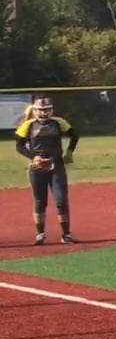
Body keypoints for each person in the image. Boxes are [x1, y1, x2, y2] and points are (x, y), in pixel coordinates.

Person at [14, 95, 78, 246]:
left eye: (46, 109)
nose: (43, 113)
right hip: (37, 168)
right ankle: (40, 234)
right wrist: (33, 157)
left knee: (61, 199)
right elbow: (19, 146)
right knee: (39, 201)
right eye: (39, 110)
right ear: (34, 110)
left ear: (51, 110)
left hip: (56, 166)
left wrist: (69, 152)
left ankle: (66, 234)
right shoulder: (28, 125)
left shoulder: (58, 122)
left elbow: (74, 136)